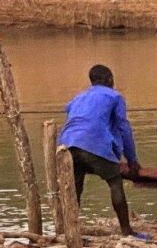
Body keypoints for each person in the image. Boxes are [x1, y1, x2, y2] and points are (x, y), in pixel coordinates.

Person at [58, 64, 141, 237]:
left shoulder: (78, 98)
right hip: (93, 143)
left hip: (67, 145)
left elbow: (76, 118)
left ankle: (71, 234)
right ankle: (127, 231)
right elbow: (124, 128)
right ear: (110, 79)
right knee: (115, 182)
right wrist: (132, 161)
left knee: (74, 188)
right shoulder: (115, 97)